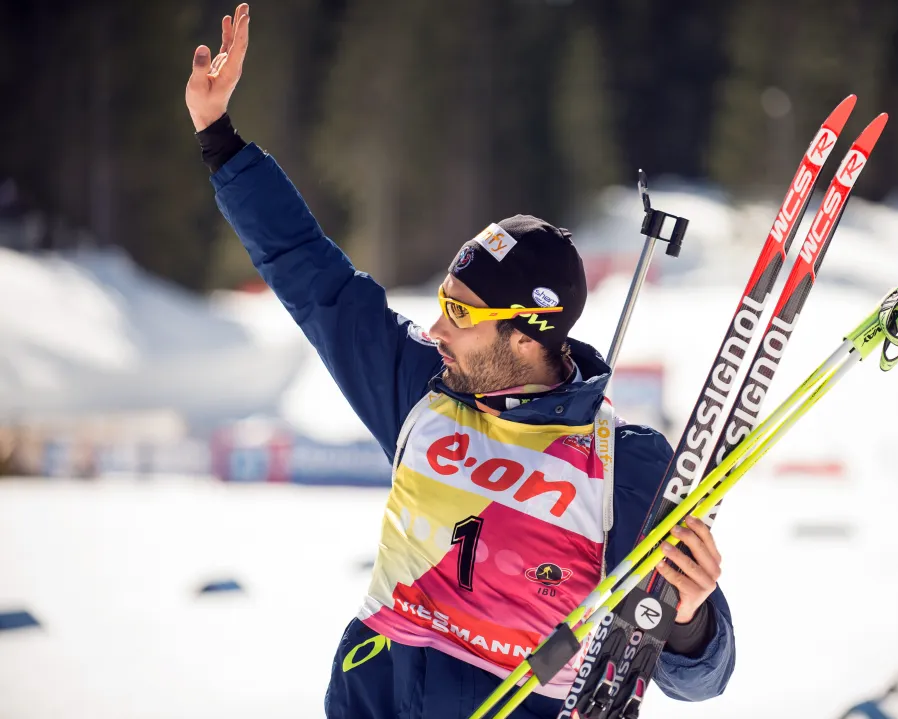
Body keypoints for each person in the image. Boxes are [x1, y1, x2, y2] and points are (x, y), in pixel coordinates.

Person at [185, 5, 735, 717]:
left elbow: (702, 675)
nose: (438, 325)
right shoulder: (417, 386)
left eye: (463, 312)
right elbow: (310, 274)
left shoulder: (622, 464)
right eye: (445, 300)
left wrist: (688, 618)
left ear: (529, 332)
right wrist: (219, 139)